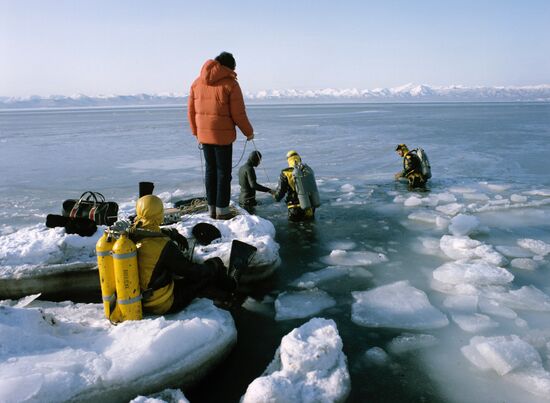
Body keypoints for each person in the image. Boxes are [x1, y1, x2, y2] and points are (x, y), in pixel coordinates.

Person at [130, 195, 242, 314]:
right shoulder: (163, 246)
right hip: (162, 303)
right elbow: (191, 272)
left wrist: (173, 234)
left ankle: (223, 294)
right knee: (211, 268)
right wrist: (213, 267)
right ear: (158, 214)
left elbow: (152, 233)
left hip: (142, 298)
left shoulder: (133, 233)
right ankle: (231, 292)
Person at [188, 51, 254, 220]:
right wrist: (248, 132)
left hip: (204, 135)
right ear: (230, 66)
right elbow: (238, 114)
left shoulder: (197, 83)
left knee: (210, 171)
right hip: (223, 138)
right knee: (223, 173)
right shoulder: (231, 84)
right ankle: (222, 210)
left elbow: (191, 111)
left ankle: (211, 209)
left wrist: (196, 132)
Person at [273, 150, 319, 222]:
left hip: (294, 209)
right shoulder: (307, 170)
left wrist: (275, 197)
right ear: (299, 158)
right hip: (309, 208)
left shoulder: (286, 173)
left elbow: (280, 193)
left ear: (288, 160)